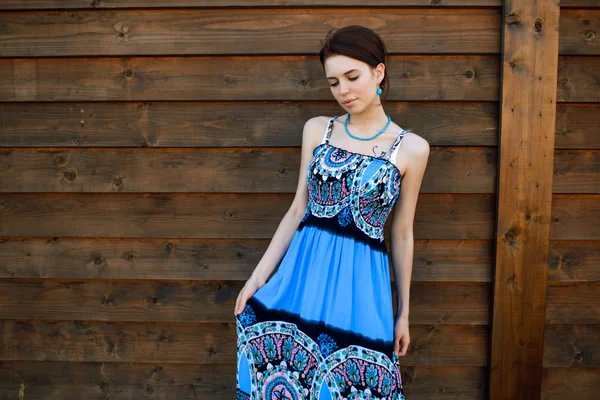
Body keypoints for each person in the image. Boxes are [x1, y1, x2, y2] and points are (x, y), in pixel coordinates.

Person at [234, 25, 430, 400]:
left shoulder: (412, 149)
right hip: (301, 277)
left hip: (362, 290)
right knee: (287, 374)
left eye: (352, 77)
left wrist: (403, 313)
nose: (344, 91)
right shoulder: (317, 131)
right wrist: (257, 279)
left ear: (379, 72)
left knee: (355, 385)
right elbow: (296, 211)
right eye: (334, 82)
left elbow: (402, 233)